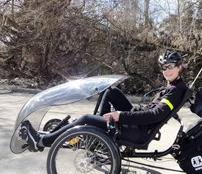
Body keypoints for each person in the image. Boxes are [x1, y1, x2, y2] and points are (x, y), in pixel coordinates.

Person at [19, 49, 188, 152]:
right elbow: (150, 112)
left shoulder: (174, 91)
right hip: (138, 122)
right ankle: (96, 133)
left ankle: (42, 141)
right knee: (112, 91)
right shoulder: (172, 86)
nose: (167, 71)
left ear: (180, 67)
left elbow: (154, 115)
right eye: (164, 67)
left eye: (171, 67)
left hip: (139, 131)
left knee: (85, 119)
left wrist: (120, 116)